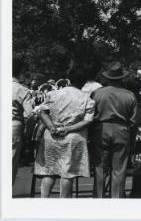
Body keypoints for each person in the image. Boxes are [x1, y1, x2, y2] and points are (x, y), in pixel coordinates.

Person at [33, 64, 95, 197]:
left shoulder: (52, 94)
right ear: (84, 82)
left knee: (49, 170)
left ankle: (43, 200)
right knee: (68, 172)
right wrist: (67, 129)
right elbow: (88, 121)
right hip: (73, 137)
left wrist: (51, 127)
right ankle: (63, 201)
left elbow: (42, 112)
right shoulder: (87, 99)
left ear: (69, 78)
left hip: (51, 135)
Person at [90, 62, 139, 198]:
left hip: (100, 129)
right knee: (119, 169)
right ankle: (116, 201)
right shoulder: (129, 95)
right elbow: (134, 121)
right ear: (121, 78)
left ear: (107, 78)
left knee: (100, 168)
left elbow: (90, 115)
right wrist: (132, 138)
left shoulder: (97, 94)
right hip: (122, 130)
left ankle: (98, 199)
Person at [12, 59, 33, 186]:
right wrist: (28, 131)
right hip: (13, 125)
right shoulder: (21, 90)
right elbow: (30, 114)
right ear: (20, 72)